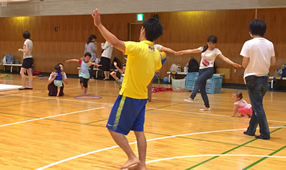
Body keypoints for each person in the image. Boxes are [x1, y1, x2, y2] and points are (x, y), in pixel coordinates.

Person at [93, 9, 163, 169]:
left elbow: (116, 42)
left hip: (129, 95)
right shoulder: (156, 54)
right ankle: (142, 165)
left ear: (143, 30)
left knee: (112, 128)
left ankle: (132, 157)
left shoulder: (138, 48)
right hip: (142, 97)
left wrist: (99, 25)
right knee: (139, 132)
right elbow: (157, 68)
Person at [178, 36, 241, 111]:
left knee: (198, 80)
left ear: (215, 44)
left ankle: (192, 97)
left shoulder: (216, 51)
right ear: (207, 43)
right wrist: (182, 52)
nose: (211, 45)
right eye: (209, 43)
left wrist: (233, 63)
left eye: (213, 44)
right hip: (201, 70)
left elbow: (224, 58)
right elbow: (192, 50)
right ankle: (207, 106)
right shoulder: (203, 48)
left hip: (209, 70)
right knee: (202, 89)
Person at [241, 19, 275, 140]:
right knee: (257, 105)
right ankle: (251, 130)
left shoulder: (248, 44)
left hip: (252, 79)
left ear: (250, 30)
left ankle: (265, 133)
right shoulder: (270, 44)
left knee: (258, 107)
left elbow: (244, 63)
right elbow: (273, 62)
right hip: (265, 79)